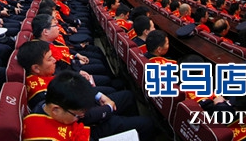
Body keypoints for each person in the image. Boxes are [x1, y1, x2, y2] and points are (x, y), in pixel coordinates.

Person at [18, 41, 153, 141]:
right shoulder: (41, 98)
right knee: (145, 124)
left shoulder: (53, 102)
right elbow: (83, 116)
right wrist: (107, 109)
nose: (55, 60)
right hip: (85, 128)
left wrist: (99, 97)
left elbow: (69, 87)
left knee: (127, 97)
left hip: (78, 118)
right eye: (49, 58)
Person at [23, 71, 95, 141]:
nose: (80, 117)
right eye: (77, 116)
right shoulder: (41, 135)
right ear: (56, 110)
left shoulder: (52, 103)